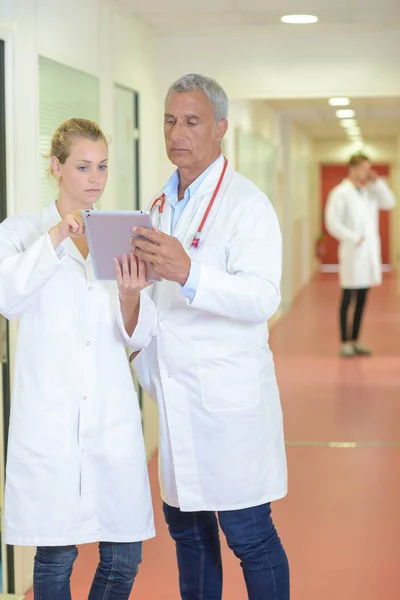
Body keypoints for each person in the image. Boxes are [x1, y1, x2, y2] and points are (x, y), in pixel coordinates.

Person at [129, 74, 289, 600]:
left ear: (220, 128)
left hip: (229, 404)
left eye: (192, 121)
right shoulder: (154, 208)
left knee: (249, 536)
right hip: (176, 402)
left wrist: (188, 271)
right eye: (170, 120)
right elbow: (154, 307)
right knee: (189, 538)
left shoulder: (247, 204)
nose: (178, 132)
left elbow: (263, 297)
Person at [0, 118, 155, 600]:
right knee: (56, 555)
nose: (96, 178)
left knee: (125, 555)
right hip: (51, 418)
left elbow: (140, 332)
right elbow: (8, 297)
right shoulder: (22, 232)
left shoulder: (122, 236)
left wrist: (131, 295)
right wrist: (55, 238)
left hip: (110, 416)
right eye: (83, 166)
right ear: (56, 167)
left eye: (103, 166)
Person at [325, 154, 396, 357]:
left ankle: (356, 340)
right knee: (348, 297)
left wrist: (378, 183)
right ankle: (345, 341)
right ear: (353, 168)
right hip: (353, 251)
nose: (368, 172)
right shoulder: (340, 193)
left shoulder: (369, 192)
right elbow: (332, 223)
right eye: (365, 168)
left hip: (368, 254)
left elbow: (390, 203)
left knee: (363, 298)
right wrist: (354, 238)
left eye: (369, 168)